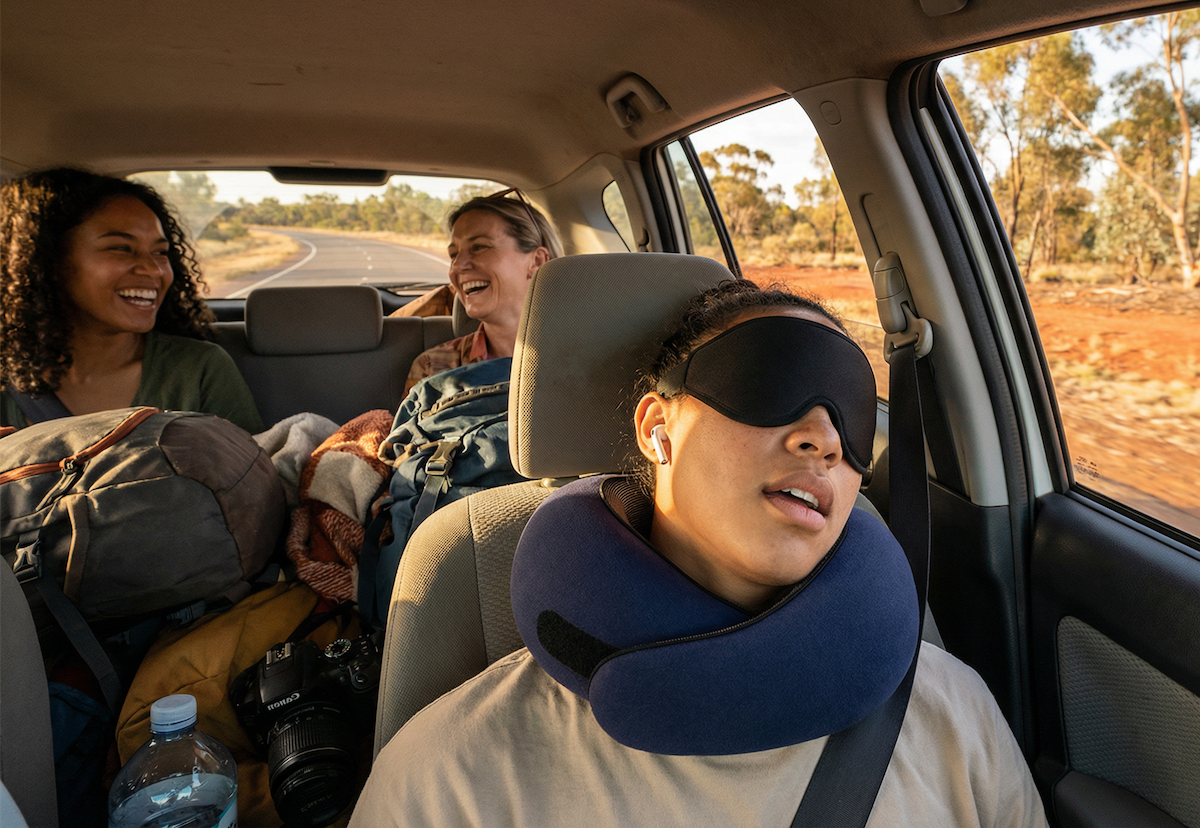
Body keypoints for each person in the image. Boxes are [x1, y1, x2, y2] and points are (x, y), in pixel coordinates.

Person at [351, 280, 1048, 827]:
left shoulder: (954, 716)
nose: (825, 440)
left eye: (854, 415)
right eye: (770, 380)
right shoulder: (456, 774)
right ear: (658, 427)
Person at [0, 168, 264, 434]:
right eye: (121, 248)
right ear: (48, 262)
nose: (154, 270)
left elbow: (248, 472)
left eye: (160, 252)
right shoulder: (5, 379)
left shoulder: (197, 370)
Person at [403, 189, 563, 393]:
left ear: (537, 261)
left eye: (479, 247)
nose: (457, 267)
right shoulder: (433, 368)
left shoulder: (592, 358)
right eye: (453, 254)